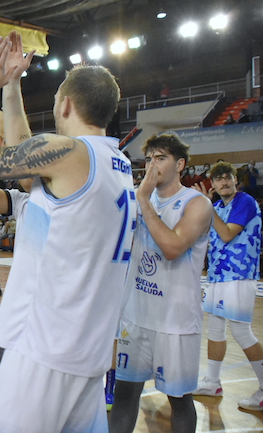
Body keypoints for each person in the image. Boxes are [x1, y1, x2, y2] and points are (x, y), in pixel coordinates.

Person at [0, 33, 135, 432]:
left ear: (65, 103)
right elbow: (26, 152)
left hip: (43, 349)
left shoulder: (69, 153)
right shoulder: (116, 164)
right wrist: (14, 84)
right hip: (87, 354)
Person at [109, 133, 212, 433]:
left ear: (180, 164)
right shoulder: (136, 198)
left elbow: (172, 248)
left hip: (176, 321)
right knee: (124, 394)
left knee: (179, 400)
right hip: (135, 317)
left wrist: (142, 199)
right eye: (150, 157)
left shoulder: (197, 203)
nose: (153, 164)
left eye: (161, 157)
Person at [191, 161, 263, 411]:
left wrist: (207, 208)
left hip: (240, 275)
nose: (223, 182)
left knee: (241, 331)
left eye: (227, 178)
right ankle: (212, 382)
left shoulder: (244, 201)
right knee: (215, 330)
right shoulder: (217, 206)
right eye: (218, 179)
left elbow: (227, 234)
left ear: (236, 180)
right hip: (218, 276)